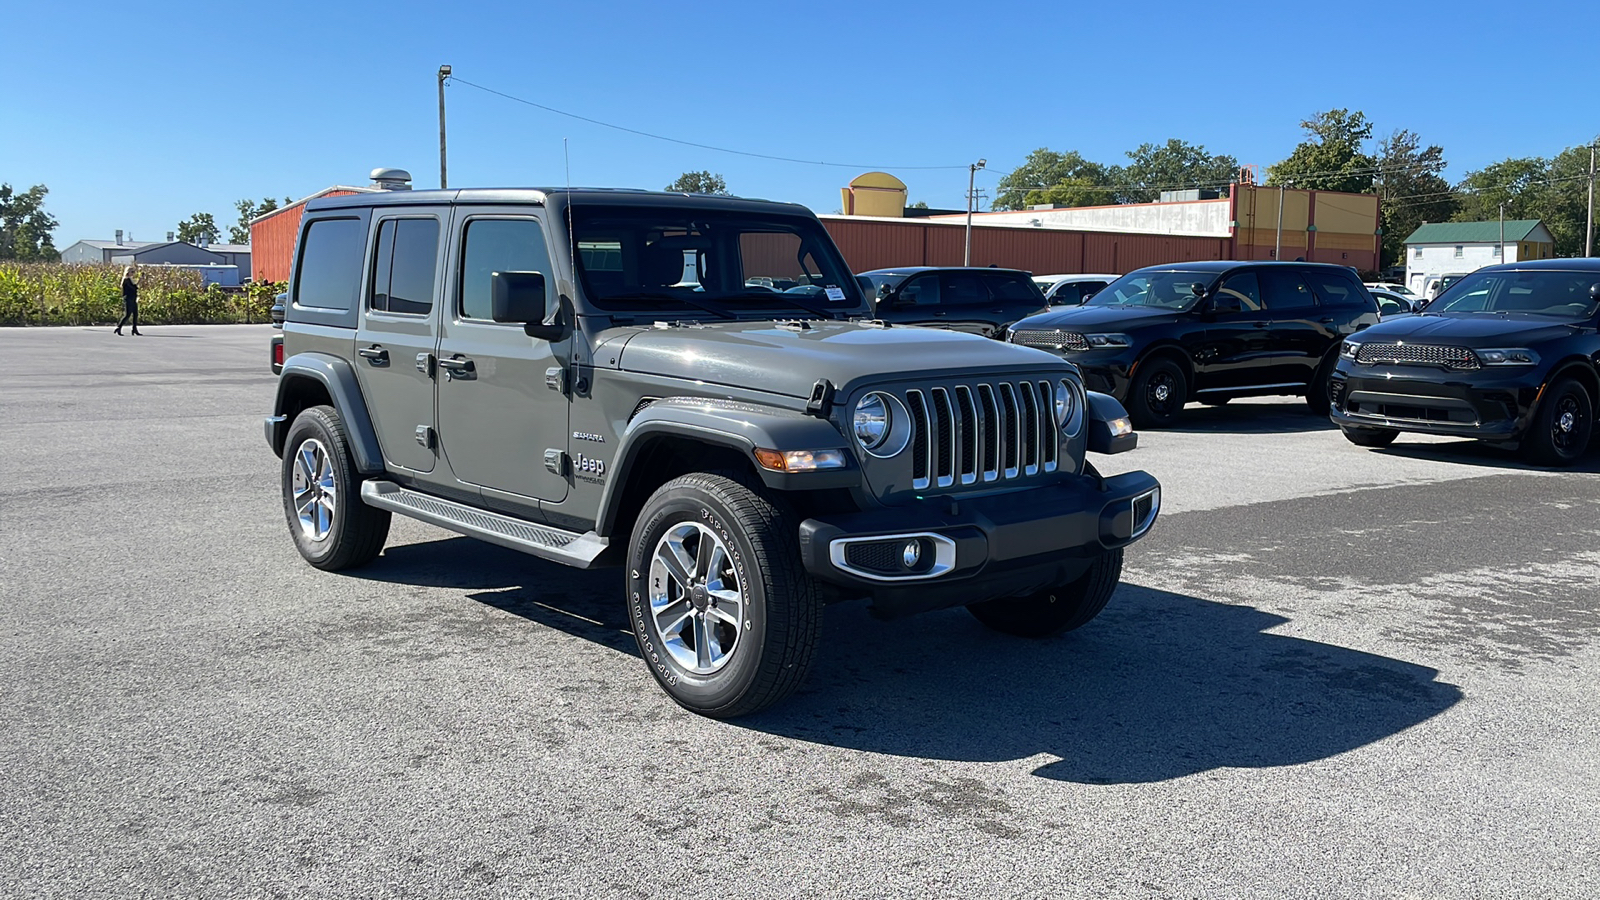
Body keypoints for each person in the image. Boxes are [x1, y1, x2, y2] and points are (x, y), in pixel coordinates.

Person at [115, 265, 142, 336]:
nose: (133, 273)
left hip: (133, 298)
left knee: (135, 314)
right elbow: (133, 288)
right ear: (128, 272)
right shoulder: (126, 280)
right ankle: (119, 327)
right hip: (128, 298)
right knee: (128, 314)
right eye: (132, 272)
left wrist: (140, 280)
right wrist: (138, 282)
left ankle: (134, 329)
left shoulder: (130, 279)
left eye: (134, 272)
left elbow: (135, 287)